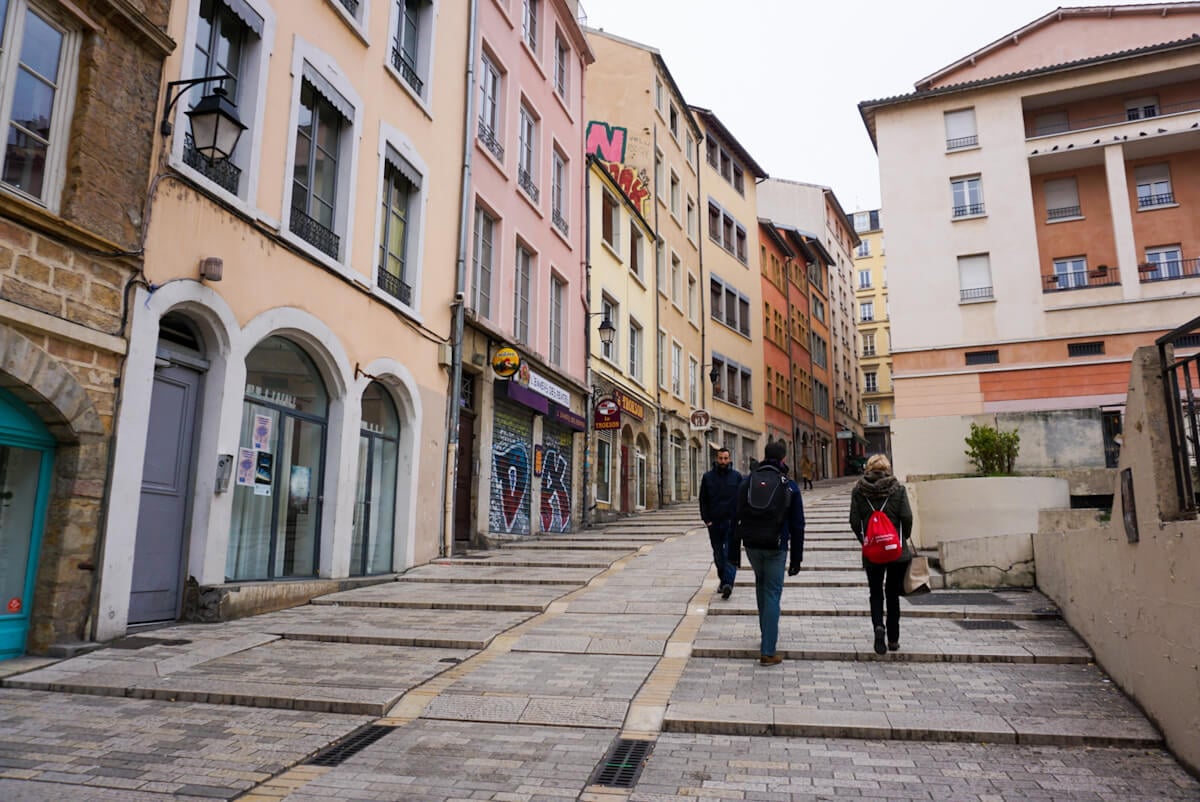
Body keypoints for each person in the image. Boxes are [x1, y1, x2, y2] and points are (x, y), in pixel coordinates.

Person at [734, 440, 805, 666]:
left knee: (761, 585)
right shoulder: (789, 485)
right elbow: (798, 526)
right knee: (773, 593)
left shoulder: (747, 482)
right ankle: (768, 650)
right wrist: (796, 559)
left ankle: (766, 634)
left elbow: (734, 517)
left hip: (752, 545)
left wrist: (733, 554)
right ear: (783, 458)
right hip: (776, 546)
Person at [848, 454, 914, 655]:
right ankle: (893, 640)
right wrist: (902, 538)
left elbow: (853, 520)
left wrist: (865, 541)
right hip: (895, 551)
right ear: (887, 468)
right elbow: (907, 517)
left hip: (873, 551)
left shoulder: (859, 490)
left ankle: (878, 626)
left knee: (875, 592)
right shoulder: (898, 489)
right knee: (892, 594)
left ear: (868, 469)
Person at [699, 448, 742, 600]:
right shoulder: (708, 477)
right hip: (714, 523)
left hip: (731, 523)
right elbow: (703, 499)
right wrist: (707, 519)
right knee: (718, 555)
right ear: (716, 459)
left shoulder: (736, 477)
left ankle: (727, 584)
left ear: (729, 459)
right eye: (720, 458)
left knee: (729, 553)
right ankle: (724, 580)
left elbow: (742, 499)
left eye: (725, 458)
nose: (723, 461)